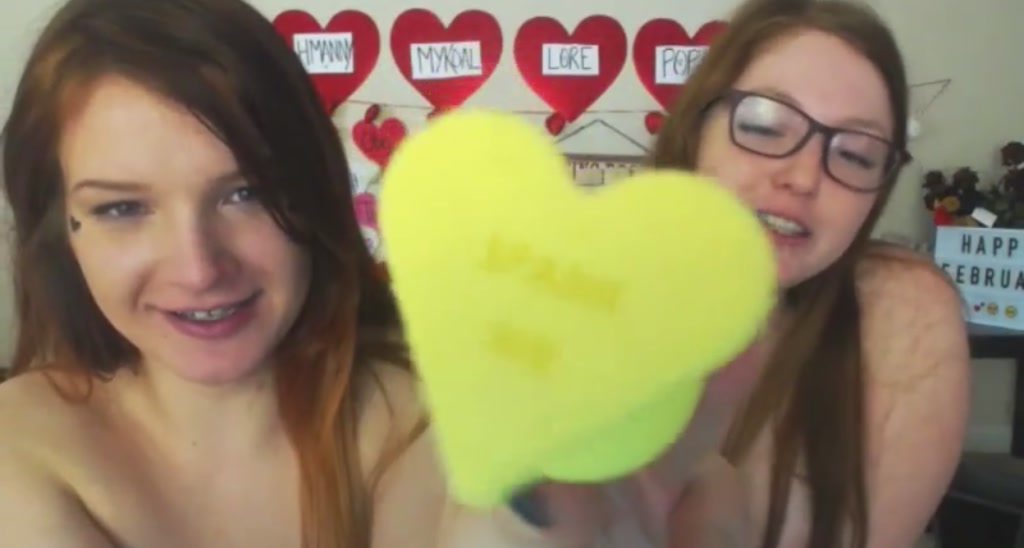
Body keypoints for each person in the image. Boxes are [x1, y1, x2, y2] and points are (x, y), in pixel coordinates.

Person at [0, 0, 743, 546]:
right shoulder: (22, 446)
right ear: (59, 230)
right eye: (122, 208)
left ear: (312, 189)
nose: (198, 267)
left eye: (244, 193)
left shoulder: (438, 422)